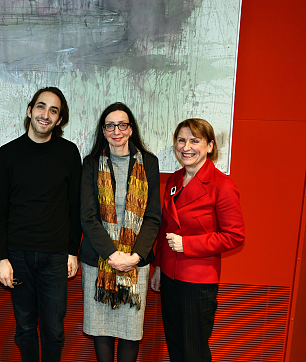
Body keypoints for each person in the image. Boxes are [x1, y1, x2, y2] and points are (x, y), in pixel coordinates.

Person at [0, 87, 82, 362]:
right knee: (25, 327)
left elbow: (74, 206)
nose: (46, 114)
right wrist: (1, 258)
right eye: (41, 107)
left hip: (55, 257)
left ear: (60, 119)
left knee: (54, 330)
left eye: (54, 110)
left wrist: (72, 251)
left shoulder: (68, 153)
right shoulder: (8, 153)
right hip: (18, 256)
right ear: (30, 111)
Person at [150, 118, 245, 362]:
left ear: (210, 146)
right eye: (181, 140)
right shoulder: (173, 180)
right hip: (170, 278)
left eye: (195, 141)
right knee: (176, 348)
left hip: (197, 282)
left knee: (194, 353)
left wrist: (187, 244)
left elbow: (235, 236)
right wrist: (158, 267)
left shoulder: (222, 185)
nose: (186, 147)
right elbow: (164, 227)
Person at [79, 103, 161, 362]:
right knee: (101, 330)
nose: (117, 130)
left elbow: (152, 216)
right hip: (100, 260)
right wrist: (113, 255)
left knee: (130, 331)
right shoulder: (91, 163)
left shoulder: (149, 162)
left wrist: (134, 257)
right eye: (110, 125)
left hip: (136, 263)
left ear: (131, 128)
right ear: (103, 131)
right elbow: (87, 216)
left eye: (122, 124)